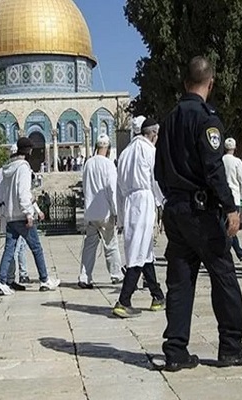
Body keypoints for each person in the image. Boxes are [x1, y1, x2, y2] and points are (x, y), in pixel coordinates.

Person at [155, 56, 242, 372]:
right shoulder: (206, 119)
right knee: (223, 275)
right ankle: (231, 345)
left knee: (180, 281)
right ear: (209, 83)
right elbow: (213, 169)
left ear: (186, 82)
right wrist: (231, 207)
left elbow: (159, 170)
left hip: (176, 210)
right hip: (201, 213)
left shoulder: (169, 120)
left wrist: (174, 197)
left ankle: (175, 351)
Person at [0, 137, 60, 295]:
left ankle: (1, 281)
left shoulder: (6, 169)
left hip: (10, 216)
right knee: (36, 248)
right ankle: (44, 279)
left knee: (9, 249)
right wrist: (29, 213)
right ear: (28, 151)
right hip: (22, 216)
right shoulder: (23, 167)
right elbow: (23, 192)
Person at [113, 117, 166, 318]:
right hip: (144, 199)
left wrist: (120, 213)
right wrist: (163, 201)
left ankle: (157, 295)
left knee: (144, 249)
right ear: (152, 133)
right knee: (138, 250)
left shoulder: (125, 153)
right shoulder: (149, 151)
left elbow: (118, 186)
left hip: (129, 201)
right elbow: (156, 179)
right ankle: (124, 300)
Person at [78, 134, 124, 289]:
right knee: (110, 244)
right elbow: (112, 189)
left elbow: (85, 187)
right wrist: (116, 212)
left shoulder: (88, 164)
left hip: (91, 212)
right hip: (105, 212)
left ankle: (85, 276)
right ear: (108, 148)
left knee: (89, 246)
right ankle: (116, 274)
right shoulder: (108, 164)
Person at [0, 144, 32, 288]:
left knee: (13, 248)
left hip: (7, 213)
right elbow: (22, 193)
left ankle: (9, 278)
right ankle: (10, 278)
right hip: (18, 214)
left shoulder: (2, 172)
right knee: (15, 248)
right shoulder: (17, 170)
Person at [222, 138, 242, 262]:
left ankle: (239, 251)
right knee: (231, 227)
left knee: (224, 225)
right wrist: (241, 196)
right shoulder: (237, 162)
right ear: (235, 148)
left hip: (221, 197)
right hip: (234, 196)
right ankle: (237, 251)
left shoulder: (220, 160)